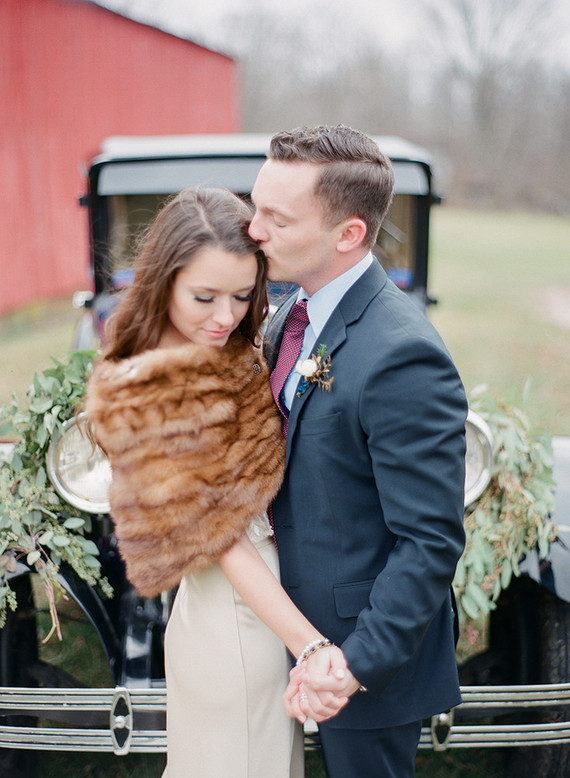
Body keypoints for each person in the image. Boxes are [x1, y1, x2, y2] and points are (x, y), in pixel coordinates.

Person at [84, 186, 347, 778]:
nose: (226, 316)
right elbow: (227, 543)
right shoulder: (156, 389)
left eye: (243, 295)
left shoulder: (225, 348)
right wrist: (310, 645)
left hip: (241, 615)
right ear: (163, 283)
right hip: (238, 622)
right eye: (204, 296)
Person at [248, 125, 468, 778]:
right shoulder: (290, 312)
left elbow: (429, 540)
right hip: (285, 627)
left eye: (276, 219)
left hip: (360, 658)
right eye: (255, 206)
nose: (253, 229)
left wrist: (352, 666)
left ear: (347, 235)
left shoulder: (403, 356)